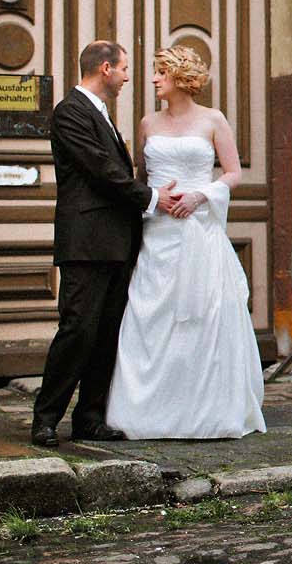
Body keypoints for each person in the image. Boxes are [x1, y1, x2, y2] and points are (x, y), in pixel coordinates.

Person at [105, 45, 267, 439]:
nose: (154, 79)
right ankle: (148, 413)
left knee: (202, 314)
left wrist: (200, 195)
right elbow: (140, 181)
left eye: (161, 72)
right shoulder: (147, 124)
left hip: (198, 230)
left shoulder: (213, 120)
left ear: (179, 77)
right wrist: (154, 201)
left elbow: (232, 174)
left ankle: (206, 411)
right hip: (158, 234)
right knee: (153, 317)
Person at [33, 40, 178, 447]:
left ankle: (89, 418)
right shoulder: (70, 112)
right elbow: (100, 170)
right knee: (78, 328)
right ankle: (45, 418)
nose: (129, 77)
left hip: (116, 241)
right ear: (105, 68)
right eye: (125, 68)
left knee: (107, 332)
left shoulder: (102, 113)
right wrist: (151, 198)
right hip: (86, 242)